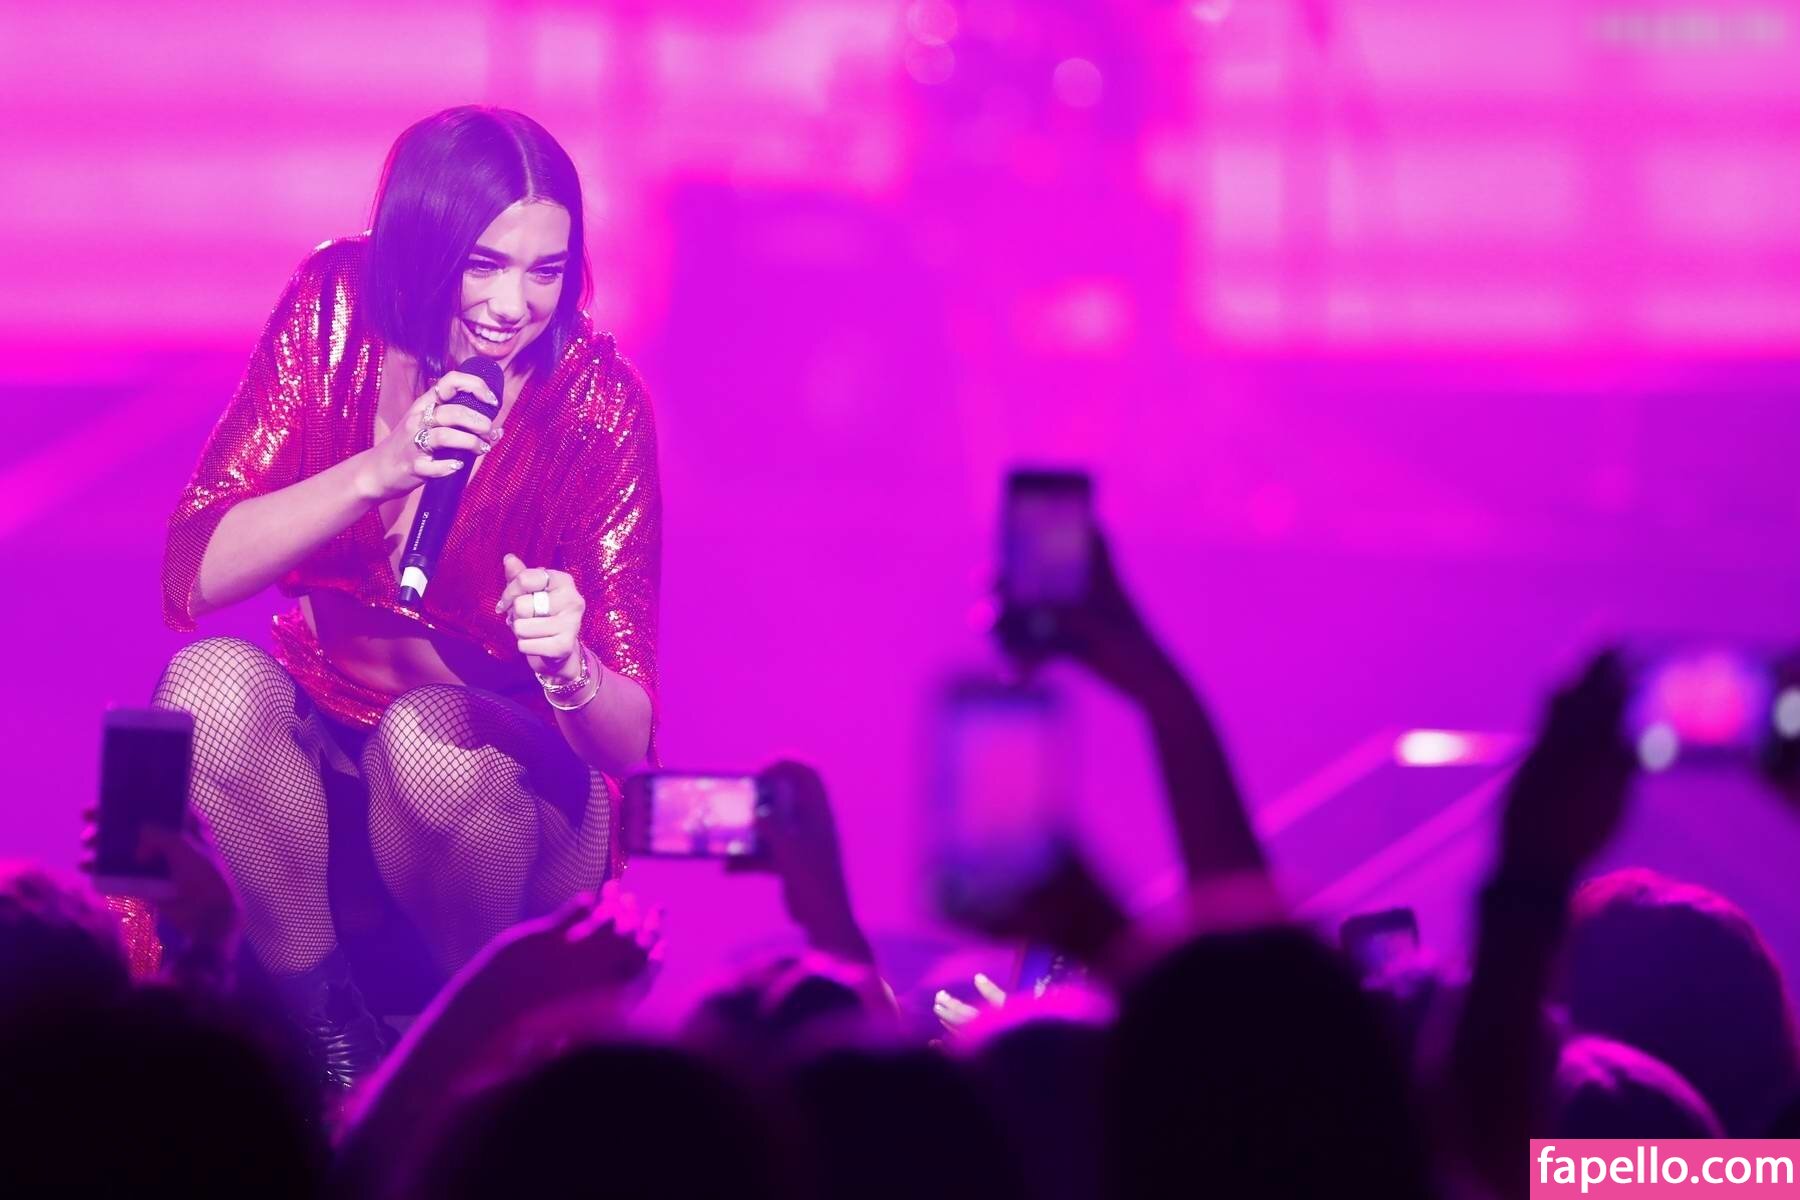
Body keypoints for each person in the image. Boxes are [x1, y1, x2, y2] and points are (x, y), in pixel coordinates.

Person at [152, 106, 661, 1089]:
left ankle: (473, 1061)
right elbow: (193, 572)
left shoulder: (596, 405)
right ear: (423, 245)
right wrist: (377, 471)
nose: (513, 304)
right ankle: (332, 1035)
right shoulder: (334, 307)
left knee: (425, 746)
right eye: (484, 265)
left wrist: (569, 665)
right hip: (326, 741)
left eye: (546, 271)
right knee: (207, 685)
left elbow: (629, 740)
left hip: (503, 773)